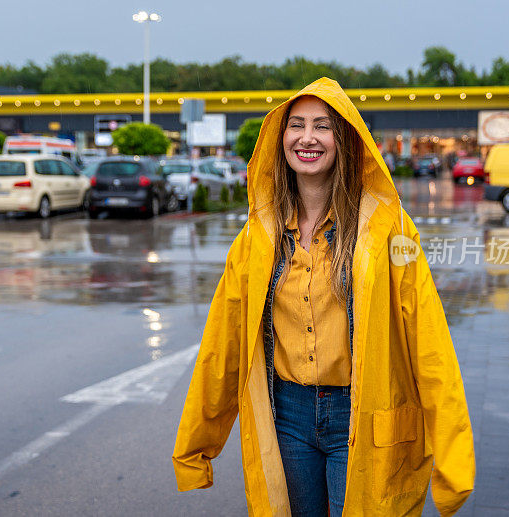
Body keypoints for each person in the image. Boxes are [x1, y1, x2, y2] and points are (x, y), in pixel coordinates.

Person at [173, 78, 474, 516]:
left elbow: (429, 343)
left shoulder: (389, 232)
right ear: (281, 140)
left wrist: (453, 459)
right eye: (296, 125)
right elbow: (223, 345)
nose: (307, 138)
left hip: (363, 414)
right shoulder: (257, 238)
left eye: (323, 126)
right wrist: (196, 445)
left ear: (345, 139)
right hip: (288, 417)